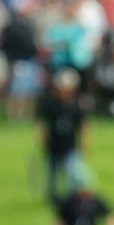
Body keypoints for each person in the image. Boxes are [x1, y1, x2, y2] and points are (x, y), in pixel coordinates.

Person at [36, 67, 89, 204]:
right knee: (52, 173)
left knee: (73, 173)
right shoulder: (51, 104)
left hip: (70, 145)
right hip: (53, 145)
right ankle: (53, 196)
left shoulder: (76, 106)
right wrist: (42, 138)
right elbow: (42, 122)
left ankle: (72, 195)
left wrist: (84, 142)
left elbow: (83, 125)